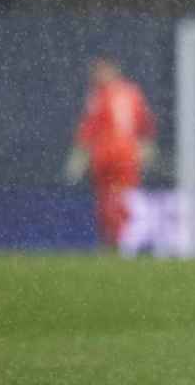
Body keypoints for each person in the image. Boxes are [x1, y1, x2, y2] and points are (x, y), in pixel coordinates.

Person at [67, 57, 157, 248]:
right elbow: (146, 126)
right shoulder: (132, 92)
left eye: (102, 71)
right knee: (113, 199)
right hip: (122, 155)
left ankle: (115, 240)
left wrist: (79, 157)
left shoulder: (101, 95)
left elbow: (89, 128)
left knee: (113, 199)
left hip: (112, 154)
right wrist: (145, 148)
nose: (99, 75)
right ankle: (115, 240)